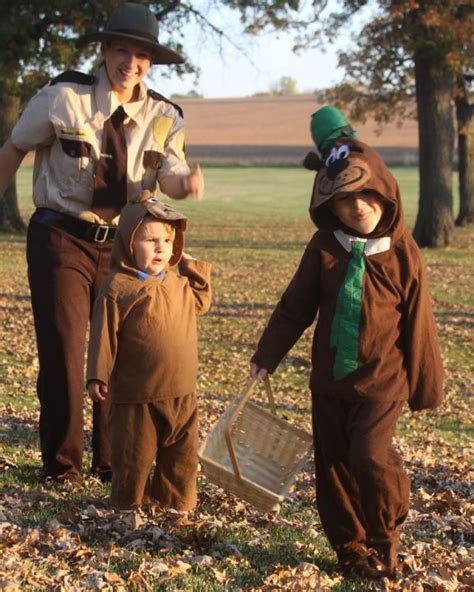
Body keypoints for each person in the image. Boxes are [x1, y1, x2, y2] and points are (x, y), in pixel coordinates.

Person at [0, 2, 204, 483]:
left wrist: (185, 184)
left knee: (122, 352)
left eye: (140, 55)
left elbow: (170, 172)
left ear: (151, 63)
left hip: (124, 246)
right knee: (66, 350)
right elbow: (14, 148)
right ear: (105, 50)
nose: (129, 62)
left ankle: (113, 461)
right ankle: (64, 464)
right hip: (61, 235)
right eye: (121, 49)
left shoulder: (164, 114)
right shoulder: (61, 97)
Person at [250, 106, 443, 579]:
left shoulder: (401, 252)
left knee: (371, 456)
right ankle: (351, 548)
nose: (357, 207)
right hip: (330, 381)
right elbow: (296, 305)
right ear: (327, 205)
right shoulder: (324, 248)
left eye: (366, 195)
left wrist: (426, 385)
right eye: (344, 200)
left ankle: (385, 535)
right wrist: (266, 356)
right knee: (334, 465)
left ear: (384, 192)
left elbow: (420, 320)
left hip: (382, 381)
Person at [86, 194, 211, 510]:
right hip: (137, 398)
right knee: (133, 458)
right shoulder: (118, 287)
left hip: (182, 394)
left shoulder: (178, 285)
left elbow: (202, 301)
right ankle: (128, 509)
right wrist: (97, 375)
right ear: (128, 242)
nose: (160, 248)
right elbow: (103, 335)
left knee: (180, 461)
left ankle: (176, 507)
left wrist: (187, 262)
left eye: (168, 241)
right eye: (151, 240)